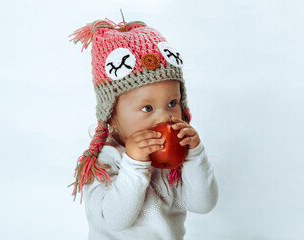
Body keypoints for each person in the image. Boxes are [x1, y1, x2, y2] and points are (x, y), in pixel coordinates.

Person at [68, 17, 218, 239]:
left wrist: (194, 154)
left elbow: (203, 204)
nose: (164, 116)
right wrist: (135, 164)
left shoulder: (174, 158)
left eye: (172, 103)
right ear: (112, 116)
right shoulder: (106, 161)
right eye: (147, 108)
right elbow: (116, 220)